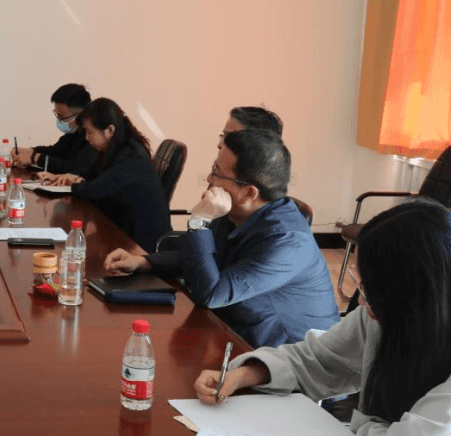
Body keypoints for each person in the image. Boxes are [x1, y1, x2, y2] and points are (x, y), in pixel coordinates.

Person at [194, 200, 451, 436]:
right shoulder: (385, 317)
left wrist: (363, 425)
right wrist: (245, 374)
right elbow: (318, 359)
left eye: (371, 288)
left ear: (411, 292)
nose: (362, 299)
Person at [104, 129, 339, 348]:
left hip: (290, 360)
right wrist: (145, 262)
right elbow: (205, 257)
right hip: (236, 337)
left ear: (249, 193)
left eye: (216, 172)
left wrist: (200, 222)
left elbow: (212, 294)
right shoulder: (237, 212)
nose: (209, 178)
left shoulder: (288, 242)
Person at [36, 97, 170, 252]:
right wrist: (66, 176)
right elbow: (93, 171)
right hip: (121, 228)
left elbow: (94, 191)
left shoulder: (132, 157)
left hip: (140, 244)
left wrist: (77, 182)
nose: (87, 138)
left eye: (89, 132)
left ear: (110, 130)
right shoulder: (115, 148)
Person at [10, 83, 96, 175]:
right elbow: (55, 151)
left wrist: (35, 158)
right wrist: (30, 151)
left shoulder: (94, 137)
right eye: (57, 115)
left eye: (62, 117)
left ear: (80, 115)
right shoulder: (73, 134)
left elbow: (76, 168)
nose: (59, 121)